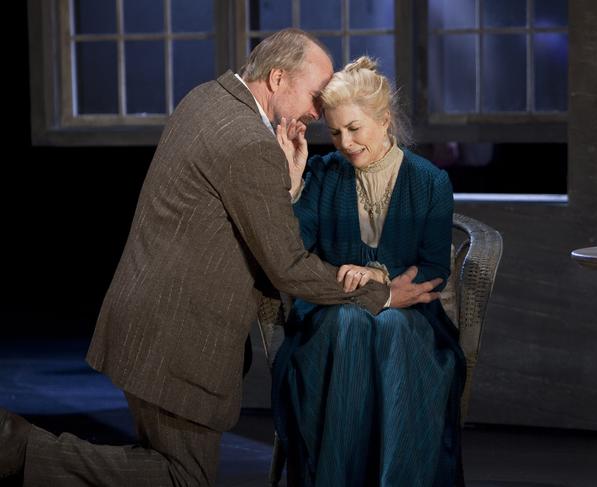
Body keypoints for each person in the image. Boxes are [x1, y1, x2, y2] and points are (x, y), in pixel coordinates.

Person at [0, 30, 441, 486]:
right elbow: (287, 266)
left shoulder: (206, 99)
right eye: (315, 96)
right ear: (276, 78)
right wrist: (384, 293)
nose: (317, 111)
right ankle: (18, 447)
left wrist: (286, 188)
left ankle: (19, 448)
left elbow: (235, 217)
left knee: (170, 470)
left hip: (145, 323)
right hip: (175, 341)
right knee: (181, 479)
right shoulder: (250, 144)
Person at [272, 56, 467, 486]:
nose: (344, 142)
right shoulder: (322, 175)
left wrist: (378, 277)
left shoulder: (430, 181)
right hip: (331, 315)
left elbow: (435, 266)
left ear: (383, 120)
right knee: (350, 323)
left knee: (394, 328)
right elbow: (295, 251)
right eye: (335, 132)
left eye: (354, 128)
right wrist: (293, 186)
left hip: (412, 320)